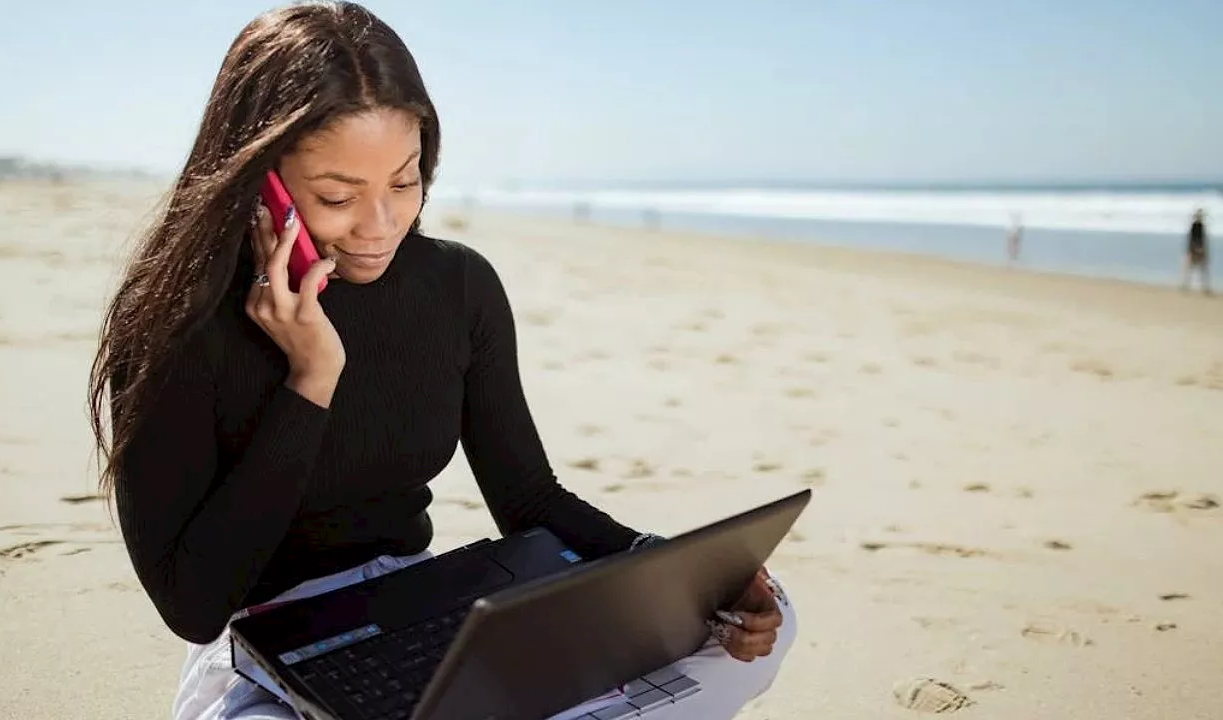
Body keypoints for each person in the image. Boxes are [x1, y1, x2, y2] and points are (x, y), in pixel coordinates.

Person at [85, 3, 796, 719]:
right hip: (259, 656)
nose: (380, 225)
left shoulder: (457, 286)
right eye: (337, 196)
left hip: (429, 614)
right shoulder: (174, 326)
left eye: (404, 180)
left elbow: (529, 502)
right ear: (257, 180)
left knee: (765, 619)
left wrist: (676, 570)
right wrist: (310, 382)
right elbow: (194, 605)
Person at [1182, 209, 1211, 294]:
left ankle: (1204, 287)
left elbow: (1202, 240)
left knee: (1201, 269)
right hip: (1194, 250)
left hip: (1198, 250)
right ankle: (1186, 286)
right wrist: (1196, 249)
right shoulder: (1195, 226)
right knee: (1192, 269)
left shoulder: (1200, 226)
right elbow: (1193, 239)